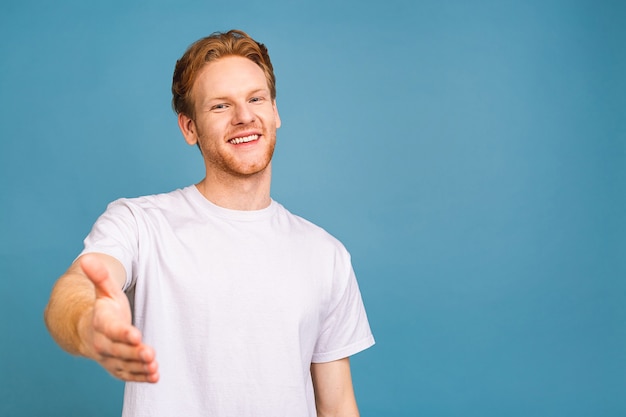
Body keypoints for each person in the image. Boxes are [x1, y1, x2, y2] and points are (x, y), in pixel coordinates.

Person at [44, 29, 374, 417]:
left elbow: (336, 406)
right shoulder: (139, 223)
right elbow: (76, 287)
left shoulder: (326, 254)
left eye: (256, 98)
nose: (244, 116)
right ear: (189, 128)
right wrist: (90, 325)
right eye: (220, 106)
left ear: (275, 111)